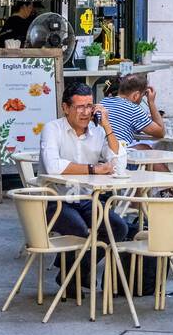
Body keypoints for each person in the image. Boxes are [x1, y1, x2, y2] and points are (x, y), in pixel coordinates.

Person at [38, 83, 133, 278]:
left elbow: (118, 161)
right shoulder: (52, 129)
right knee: (80, 229)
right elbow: (54, 167)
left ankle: (73, 274)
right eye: (79, 107)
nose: (85, 112)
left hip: (86, 198)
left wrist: (107, 125)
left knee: (119, 227)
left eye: (89, 106)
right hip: (55, 199)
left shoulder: (97, 132)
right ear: (65, 108)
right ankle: (73, 277)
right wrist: (94, 169)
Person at [101, 74, 165, 147]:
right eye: (142, 95)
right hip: (116, 151)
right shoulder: (133, 109)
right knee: (144, 147)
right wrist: (151, 102)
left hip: (101, 149)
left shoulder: (104, 101)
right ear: (136, 96)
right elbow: (160, 132)